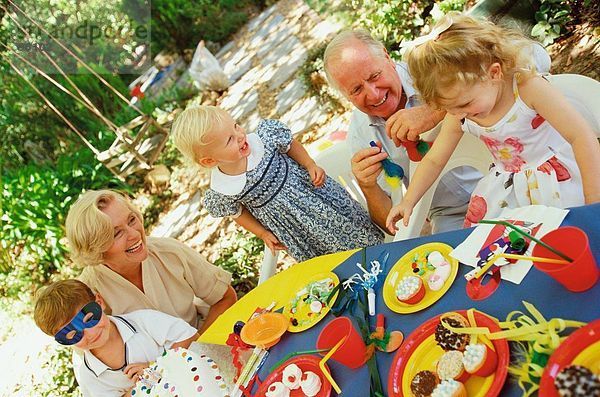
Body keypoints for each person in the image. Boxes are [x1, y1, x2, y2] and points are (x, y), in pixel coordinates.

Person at [323, 28, 551, 234]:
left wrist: (438, 108)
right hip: (449, 217)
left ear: (386, 56)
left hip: (509, 181)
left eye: (374, 76)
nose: (373, 94)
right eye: (356, 89)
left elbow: (537, 57)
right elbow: (394, 226)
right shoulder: (361, 136)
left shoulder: (432, 64)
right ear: (344, 96)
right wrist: (368, 186)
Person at [386, 14, 600, 232]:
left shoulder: (527, 89)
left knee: (574, 236)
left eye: (466, 103)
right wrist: (408, 201)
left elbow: (581, 136)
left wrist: (594, 202)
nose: (460, 114)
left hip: (560, 181)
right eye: (449, 109)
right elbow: (433, 161)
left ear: (494, 73)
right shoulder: (459, 114)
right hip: (509, 192)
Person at [171, 106, 384, 262]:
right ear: (210, 161)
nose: (239, 135)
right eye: (228, 140)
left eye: (236, 125)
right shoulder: (223, 189)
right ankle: (352, 284)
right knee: (324, 257)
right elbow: (238, 214)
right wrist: (263, 233)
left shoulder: (263, 139)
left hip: (314, 196)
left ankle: (380, 254)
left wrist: (309, 164)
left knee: (350, 227)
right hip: (292, 225)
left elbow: (290, 145)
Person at [66, 189, 237, 334]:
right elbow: (94, 352)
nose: (135, 234)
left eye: (132, 220)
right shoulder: (87, 293)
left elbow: (225, 297)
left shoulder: (170, 252)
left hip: (200, 340)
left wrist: (196, 349)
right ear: (95, 249)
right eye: (117, 233)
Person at [33, 279, 199, 397]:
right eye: (72, 335)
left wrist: (157, 368)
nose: (90, 334)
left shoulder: (143, 321)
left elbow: (191, 337)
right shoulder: (89, 375)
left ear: (99, 302)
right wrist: (141, 388)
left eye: (89, 319)